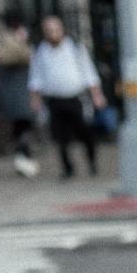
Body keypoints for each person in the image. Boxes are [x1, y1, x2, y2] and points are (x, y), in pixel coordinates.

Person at [27, 12, 105, 179]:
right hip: (54, 100)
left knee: (84, 132)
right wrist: (35, 99)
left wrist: (97, 95)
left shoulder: (75, 47)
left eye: (55, 29)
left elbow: (89, 73)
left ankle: (92, 162)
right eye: (48, 30)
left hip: (75, 98)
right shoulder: (40, 51)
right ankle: (68, 168)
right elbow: (35, 77)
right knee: (60, 138)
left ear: (62, 29)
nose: (52, 33)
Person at [0, 8, 38, 175]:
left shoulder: (9, 39)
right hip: (17, 89)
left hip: (17, 89)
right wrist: (22, 44)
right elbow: (18, 57)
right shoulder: (12, 40)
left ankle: (23, 157)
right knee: (23, 125)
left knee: (22, 126)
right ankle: (23, 157)